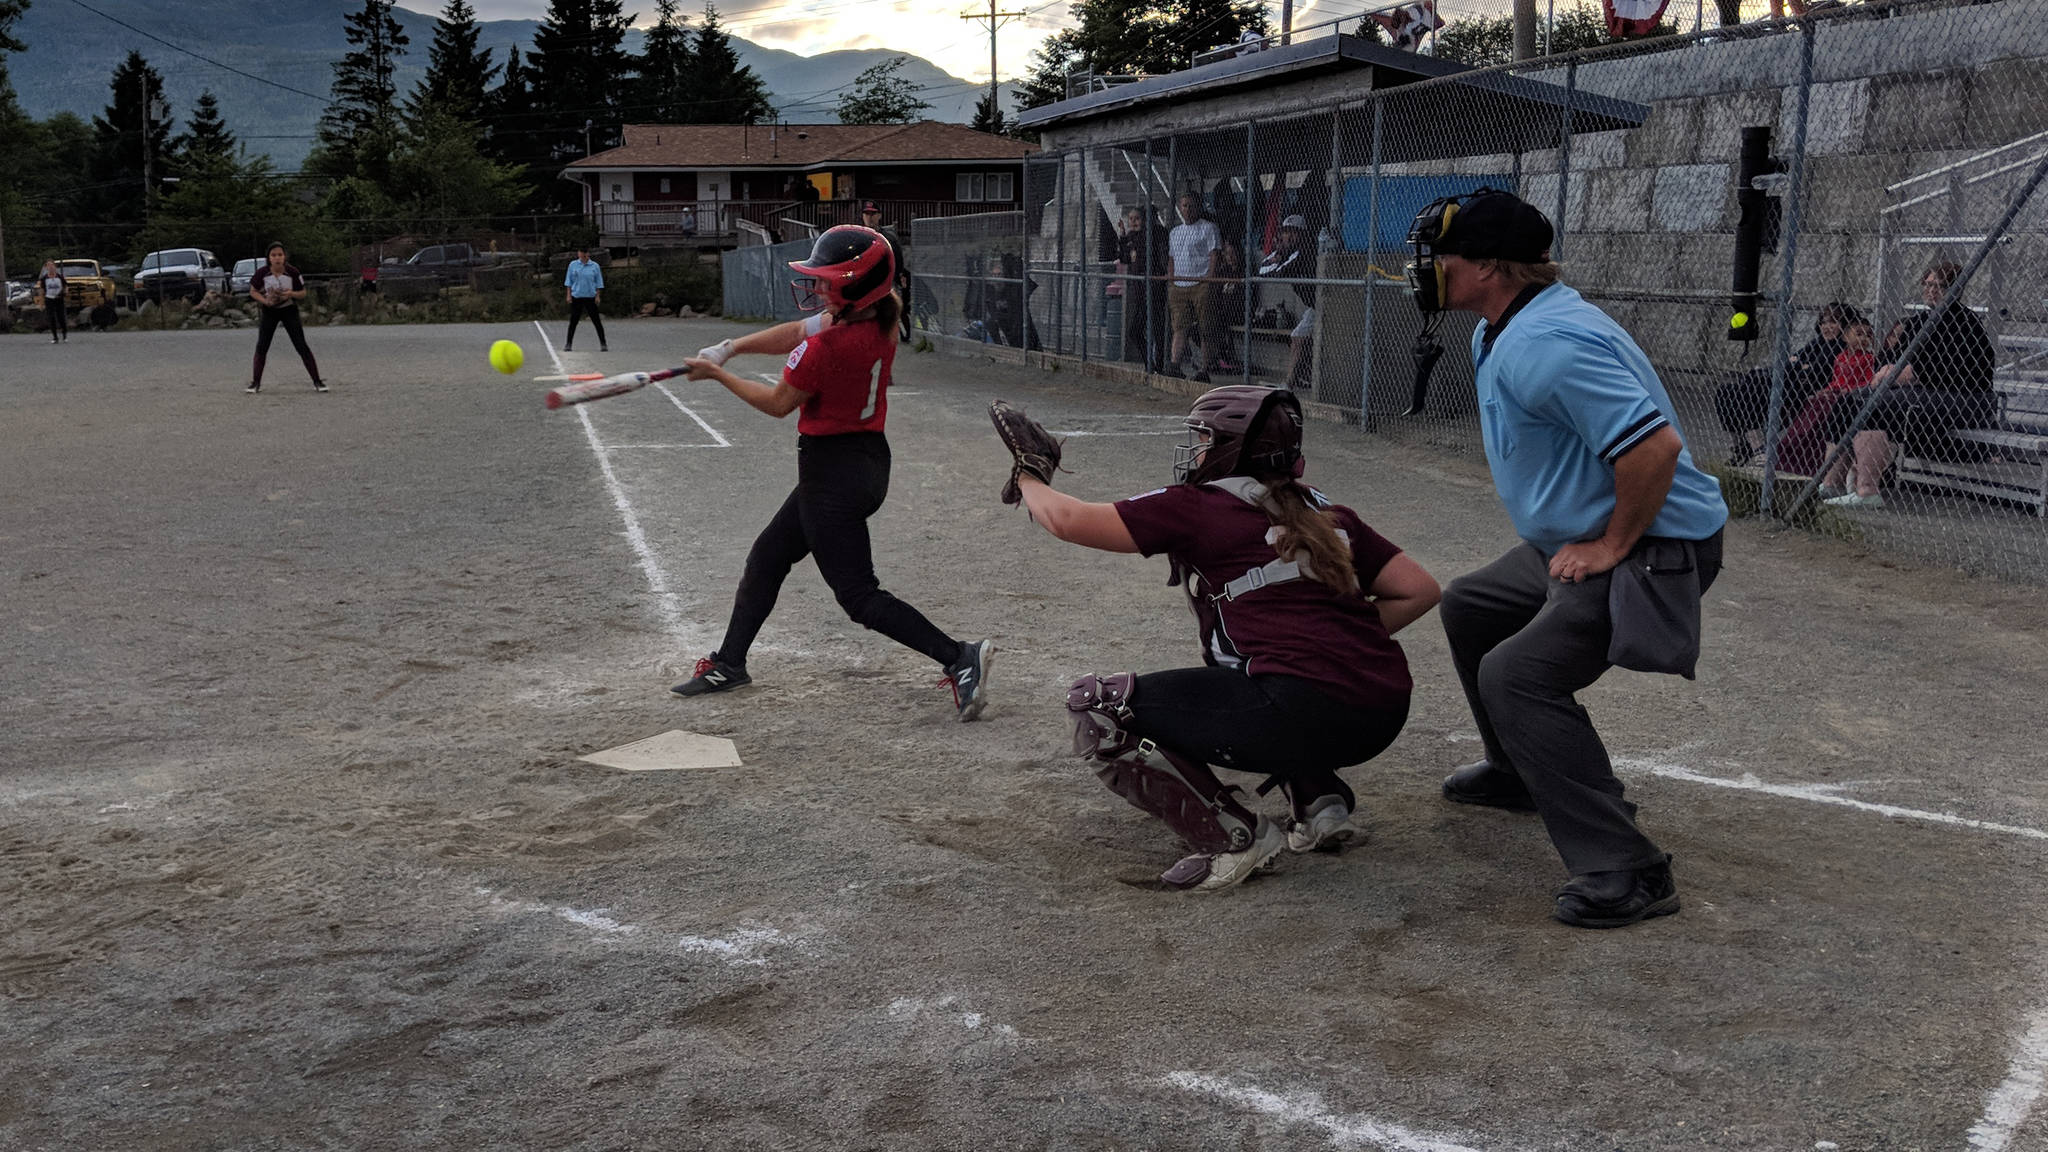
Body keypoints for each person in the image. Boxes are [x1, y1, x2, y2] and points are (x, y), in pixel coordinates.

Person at [1406, 188, 1728, 929]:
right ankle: (1518, 772)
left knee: (1516, 676)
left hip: (1653, 546)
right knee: (1472, 605)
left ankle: (1628, 868)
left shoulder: (1547, 343)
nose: (1428, 269)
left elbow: (1655, 448)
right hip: (1577, 538)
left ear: (1489, 266)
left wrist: (1612, 543)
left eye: (1442, 256)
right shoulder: (1509, 322)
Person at [1002, 385, 1439, 891]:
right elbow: (1419, 591)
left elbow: (1067, 519)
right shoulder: (1327, 512)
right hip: (1382, 713)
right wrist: (1340, 641)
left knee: (1097, 707)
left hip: (1302, 710)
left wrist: (1028, 474)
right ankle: (1320, 803)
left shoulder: (1200, 506)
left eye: (1205, 438)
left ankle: (1235, 837)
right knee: (1249, 668)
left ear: (1235, 446)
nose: (1198, 450)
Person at [670, 225, 995, 720]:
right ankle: (729, 661)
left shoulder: (830, 348)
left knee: (860, 597)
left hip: (832, 477)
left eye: (827, 282)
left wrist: (718, 374)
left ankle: (959, 657)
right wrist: (730, 346)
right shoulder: (882, 320)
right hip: (862, 462)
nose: (818, 288)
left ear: (854, 290)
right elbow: (799, 330)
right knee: (768, 556)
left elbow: (779, 402)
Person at [1822, 260, 1996, 510]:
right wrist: (1886, 368)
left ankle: (1867, 491)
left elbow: (1953, 369)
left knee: (1874, 406)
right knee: (1847, 402)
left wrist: (1907, 373)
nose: (1931, 290)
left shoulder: (1965, 323)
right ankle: (1830, 484)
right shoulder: (1918, 321)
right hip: (1918, 393)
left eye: (1939, 286)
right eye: (1927, 284)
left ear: (1955, 289)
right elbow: (1892, 360)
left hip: (1964, 397)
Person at [1713, 301, 1859, 465]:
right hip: (1788, 384)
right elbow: (1789, 364)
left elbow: (1814, 373)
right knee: (1725, 391)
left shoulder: (1840, 347)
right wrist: (1799, 366)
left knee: (1753, 387)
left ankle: (1759, 447)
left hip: (1801, 392)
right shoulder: (1818, 343)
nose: (1827, 326)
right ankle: (1742, 445)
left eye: (1833, 321)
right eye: (1824, 322)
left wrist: (1797, 366)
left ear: (1845, 324)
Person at [246, 242, 325, 394]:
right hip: (270, 311)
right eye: (273, 255)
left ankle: (317, 381)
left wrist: (290, 294)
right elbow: (253, 291)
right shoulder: (262, 272)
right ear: (269, 258)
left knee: (301, 345)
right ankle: (255, 383)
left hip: (289, 310)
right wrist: (265, 301)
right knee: (262, 346)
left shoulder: (292, 272)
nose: (277, 258)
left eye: (280, 255)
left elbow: (302, 293)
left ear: (285, 257)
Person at [1257, 215, 1318, 391]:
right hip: (1314, 306)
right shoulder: (1285, 253)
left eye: (1294, 233)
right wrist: (1277, 259)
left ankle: (1292, 381)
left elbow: (1280, 272)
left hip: (1324, 304)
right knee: (1297, 338)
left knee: (1297, 338)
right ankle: (1293, 380)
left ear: (1302, 235)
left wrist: (1279, 262)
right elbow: (1262, 270)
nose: (1289, 237)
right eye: (1286, 232)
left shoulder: (1305, 251)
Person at [1166, 191, 1222, 381]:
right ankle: (1175, 364)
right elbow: (1172, 258)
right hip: (1180, 283)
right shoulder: (1175, 232)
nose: (1187, 210)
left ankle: (1204, 369)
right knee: (1180, 326)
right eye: (1184, 206)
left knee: (1205, 327)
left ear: (1199, 207)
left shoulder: (1208, 228)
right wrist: (1172, 279)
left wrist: (1209, 279)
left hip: (1200, 282)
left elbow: (1214, 254)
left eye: (1191, 205)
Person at [1118, 206, 1171, 374]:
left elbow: (1161, 257)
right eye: (1131, 219)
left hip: (1155, 288)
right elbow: (1126, 258)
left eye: (1138, 219)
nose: (1134, 222)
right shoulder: (1133, 236)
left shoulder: (1158, 233)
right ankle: (1149, 363)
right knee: (1135, 330)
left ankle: (1160, 365)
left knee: (1157, 328)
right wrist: (1123, 236)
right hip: (1140, 290)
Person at [860, 200, 912, 343]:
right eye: (866, 214)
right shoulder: (860, 236)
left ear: (879, 216)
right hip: (869, 280)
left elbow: (898, 257)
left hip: (889, 279)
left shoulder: (888, 236)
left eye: (873, 214)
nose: (869, 217)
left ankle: (907, 334)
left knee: (898, 308)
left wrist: (900, 275)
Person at [563, 248, 607, 353]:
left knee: (596, 321)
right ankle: (568, 343)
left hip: (590, 296)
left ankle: (603, 343)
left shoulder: (594, 266)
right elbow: (568, 281)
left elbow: (598, 282)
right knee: (573, 321)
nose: (582, 255)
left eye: (584, 253)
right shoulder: (573, 265)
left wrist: (597, 296)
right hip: (577, 296)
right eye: (580, 253)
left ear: (588, 254)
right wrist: (568, 295)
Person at [39, 261, 66, 344]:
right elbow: (42, 290)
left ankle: (64, 334)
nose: (50, 267)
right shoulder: (44, 278)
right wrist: (41, 302)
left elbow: (65, 286)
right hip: (49, 299)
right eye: (48, 266)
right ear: (46, 268)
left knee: (61, 317)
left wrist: (64, 293)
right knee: (51, 318)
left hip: (59, 299)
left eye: (52, 265)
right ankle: (55, 337)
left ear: (55, 267)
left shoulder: (59, 277)